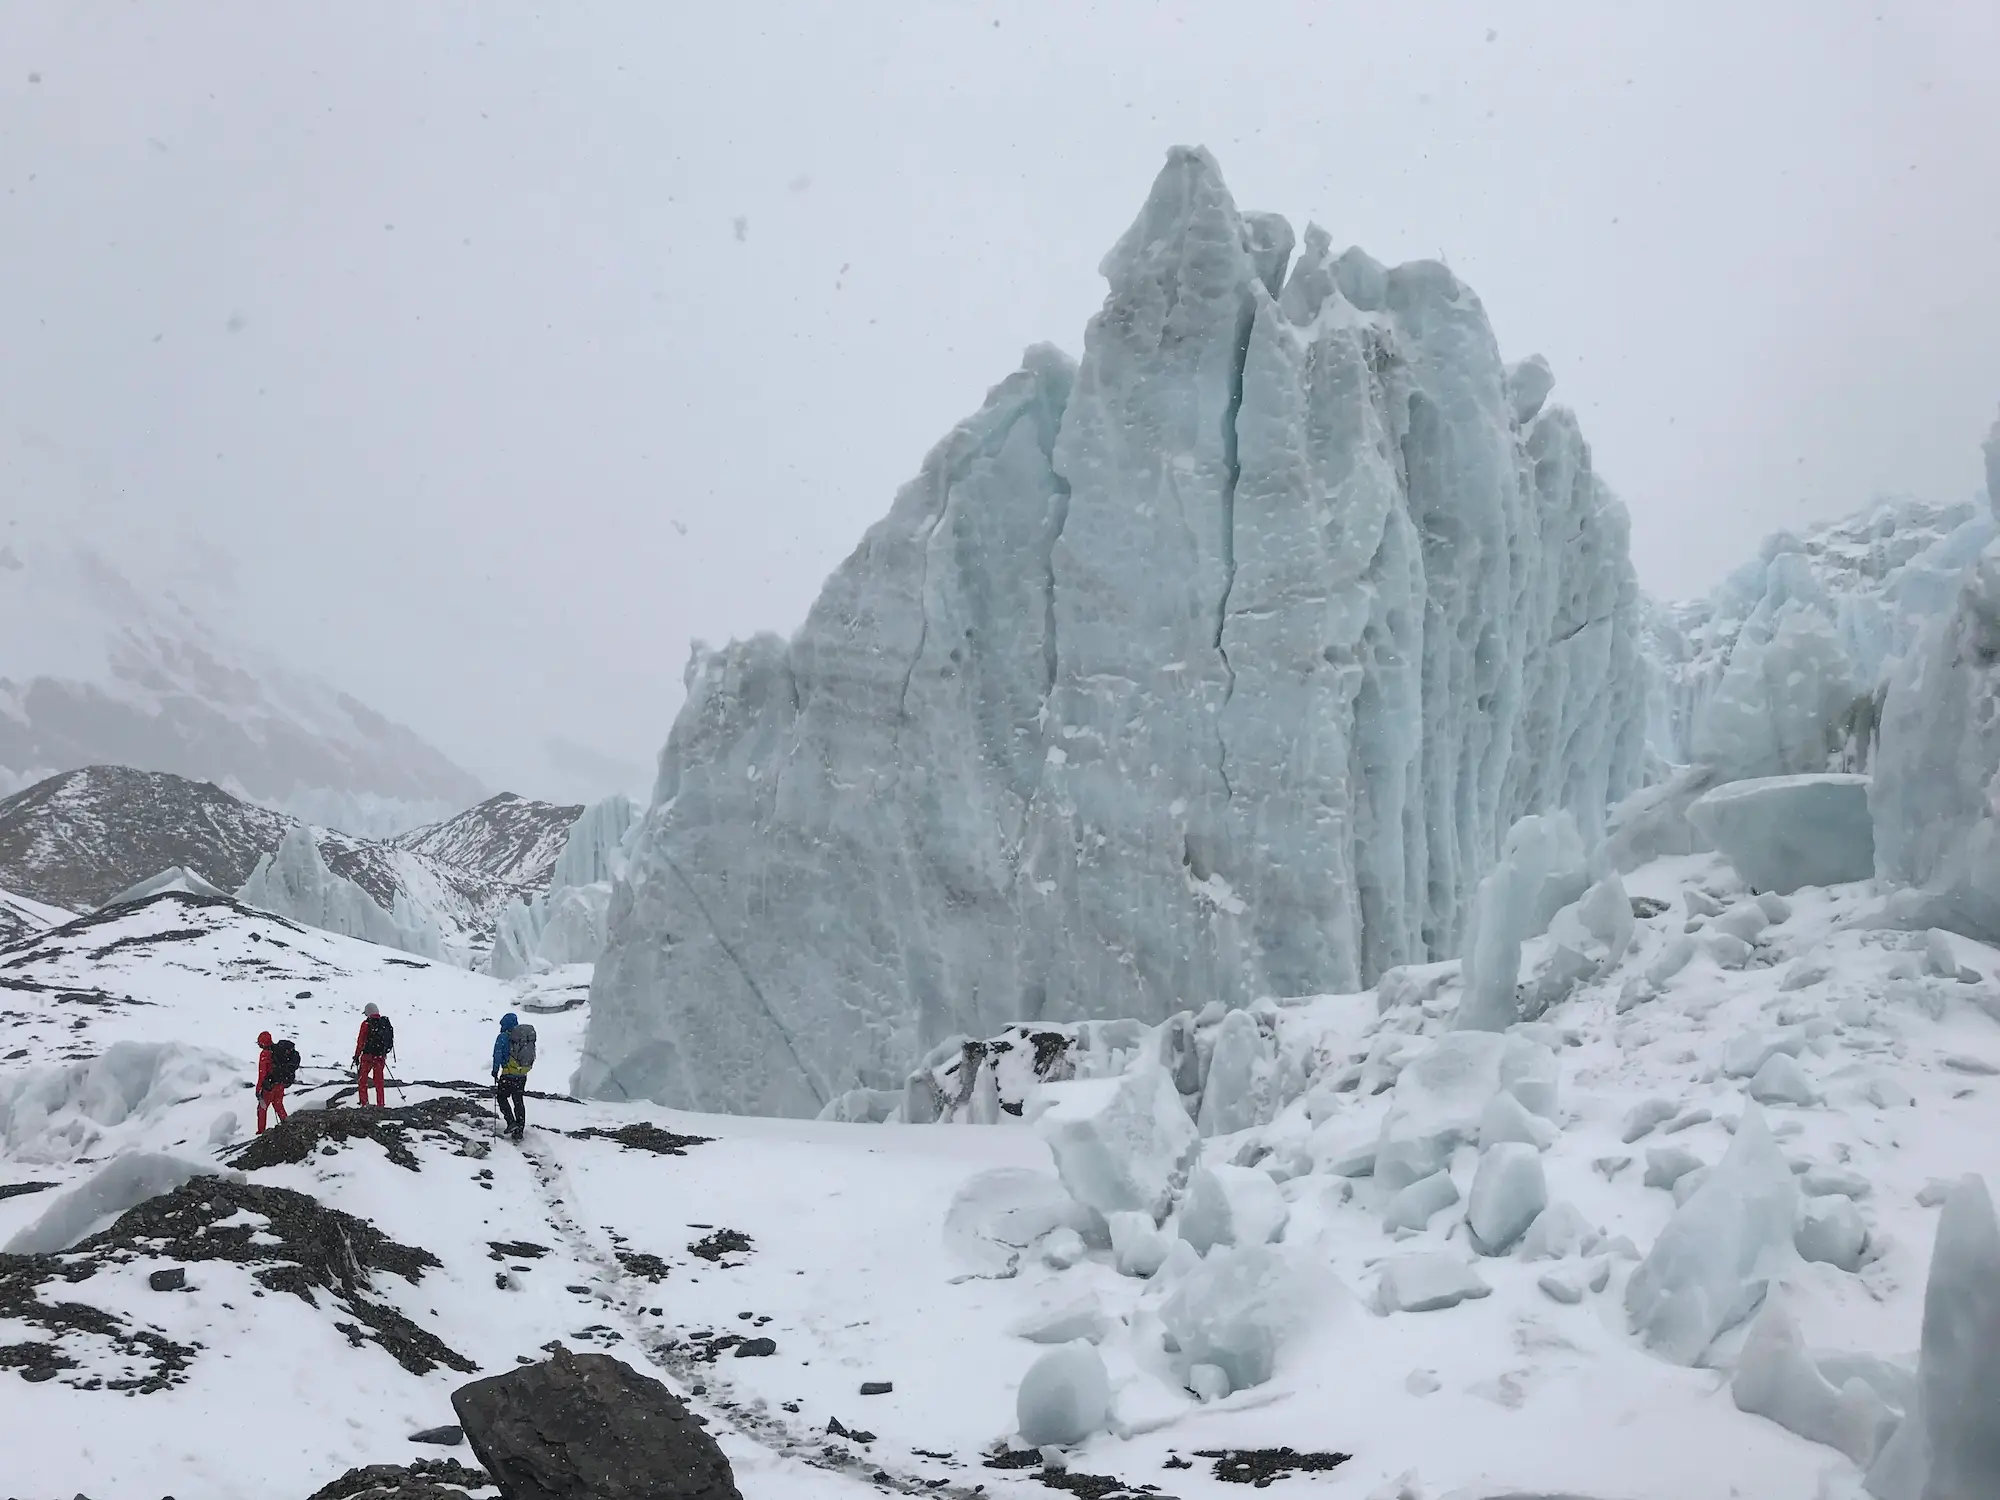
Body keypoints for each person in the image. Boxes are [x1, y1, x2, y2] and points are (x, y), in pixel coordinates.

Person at [491, 1012, 537, 1142]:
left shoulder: (503, 1037)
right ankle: (519, 1130)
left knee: (502, 1097)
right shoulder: (523, 1038)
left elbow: (497, 1054)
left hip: (507, 1074)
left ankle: (511, 1122)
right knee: (518, 1100)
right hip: (522, 1075)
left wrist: (495, 1071)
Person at [255, 1030, 296, 1134]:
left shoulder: (265, 1054)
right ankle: (286, 1124)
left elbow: (262, 1074)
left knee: (262, 1108)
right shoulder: (278, 1051)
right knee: (278, 1104)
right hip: (280, 1084)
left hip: (269, 1086)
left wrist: (258, 1089)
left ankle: (261, 1132)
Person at [354, 1002, 393, 1107]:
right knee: (379, 1081)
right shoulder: (384, 1024)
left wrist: (357, 1055)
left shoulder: (366, 1024)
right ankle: (380, 1104)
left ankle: (364, 1103)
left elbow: (360, 1042)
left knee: (363, 1080)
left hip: (367, 1057)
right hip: (380, 1057)